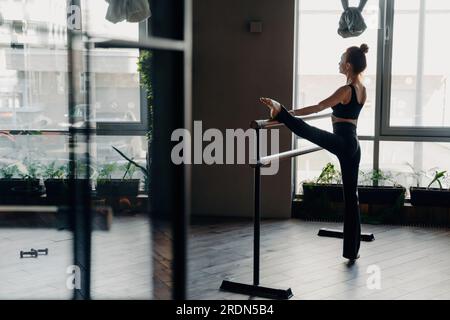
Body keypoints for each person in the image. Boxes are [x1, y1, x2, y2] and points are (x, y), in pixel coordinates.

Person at [260, 44, 369, 263]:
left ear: (348, 65)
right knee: (351, 197)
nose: (338, 62)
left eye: (341, 59)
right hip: (353, 144)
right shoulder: (362, 89)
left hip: (343, 142)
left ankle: (279, 110)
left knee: (306, 131)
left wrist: (289, 114)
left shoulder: (346, 90)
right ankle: (352, 251)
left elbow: (319, 107)